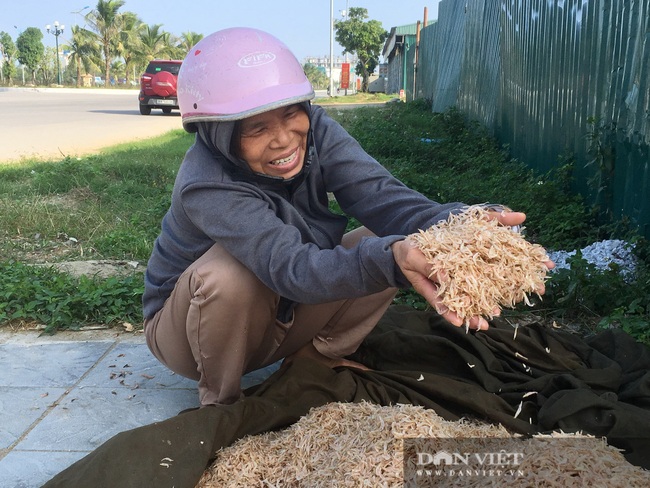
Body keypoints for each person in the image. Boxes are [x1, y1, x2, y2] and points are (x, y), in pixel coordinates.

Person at [142, 27, 551, 406]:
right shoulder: (207, 183)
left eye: (289, 114)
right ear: (219, 133)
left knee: (394, 238)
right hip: (190, 335)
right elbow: (292, 268)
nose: (283, 139)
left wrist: (466, 220)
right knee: (228, 274)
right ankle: (222, 401)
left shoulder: (318, 131)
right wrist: (391, 260)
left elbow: (382, 197)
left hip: (281, 310)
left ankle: (313, 357)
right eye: (256, 129)